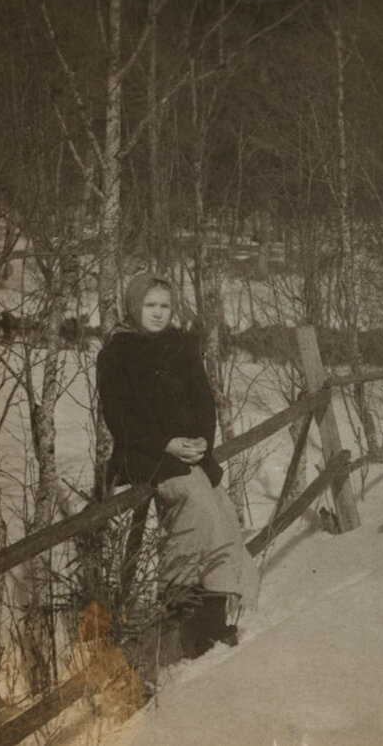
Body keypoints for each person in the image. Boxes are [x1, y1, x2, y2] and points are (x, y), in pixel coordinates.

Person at [97, 273, 260, 658]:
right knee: (195, 503)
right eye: (149, 305)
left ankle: (213, 619)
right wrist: (167, 443)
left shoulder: (181, 346)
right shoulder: (116, 353)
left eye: (165, 306)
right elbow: (119, 419)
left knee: (221, 509)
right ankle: (178, 623)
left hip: (191, 452)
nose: (157, 313)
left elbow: (204, 401)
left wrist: (203, 440)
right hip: (145, 455)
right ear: (134, 306)